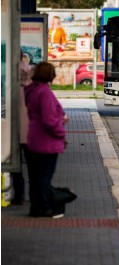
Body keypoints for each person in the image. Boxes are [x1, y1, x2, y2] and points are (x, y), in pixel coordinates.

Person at [24, 62, 70, 218]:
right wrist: (61, 132)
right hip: (47, 142)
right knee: (44, 176)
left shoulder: (32, 90)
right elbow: (49, 120)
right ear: (50, 75)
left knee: (36, 176)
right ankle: (42, 207)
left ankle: (36, 206)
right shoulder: (45, 93)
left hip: (35, 139)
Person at [10, 52, 33, 205]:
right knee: (33, 166)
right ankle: (35, 196)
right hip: (32, 131)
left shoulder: (8, 76)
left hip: (12, 130)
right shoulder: (35, 81)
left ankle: (19, 196)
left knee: (15, 166)